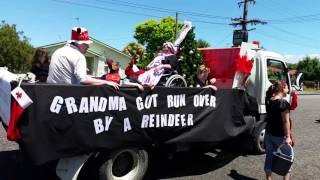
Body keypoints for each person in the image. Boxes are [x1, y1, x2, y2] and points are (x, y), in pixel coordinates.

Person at [47, 27, 119, 89]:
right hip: (66, 96)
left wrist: (104, 81)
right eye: (86, 44)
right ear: (77, 43)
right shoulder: (78, 55)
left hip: (51, 95)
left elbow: (83, 77)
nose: (88, 46)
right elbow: (83, 80)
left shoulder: (58, 51)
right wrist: (107, 83)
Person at [264, 80, 292, 180]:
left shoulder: (269, 99)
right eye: (287, 88)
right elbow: (285, 121)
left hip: (268, 134)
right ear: (283, 87)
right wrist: (288, 137)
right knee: (287, 160)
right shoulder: (283, 103)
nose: (288, 90)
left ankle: (268, 179)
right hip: (280, 136)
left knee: (269, 157)